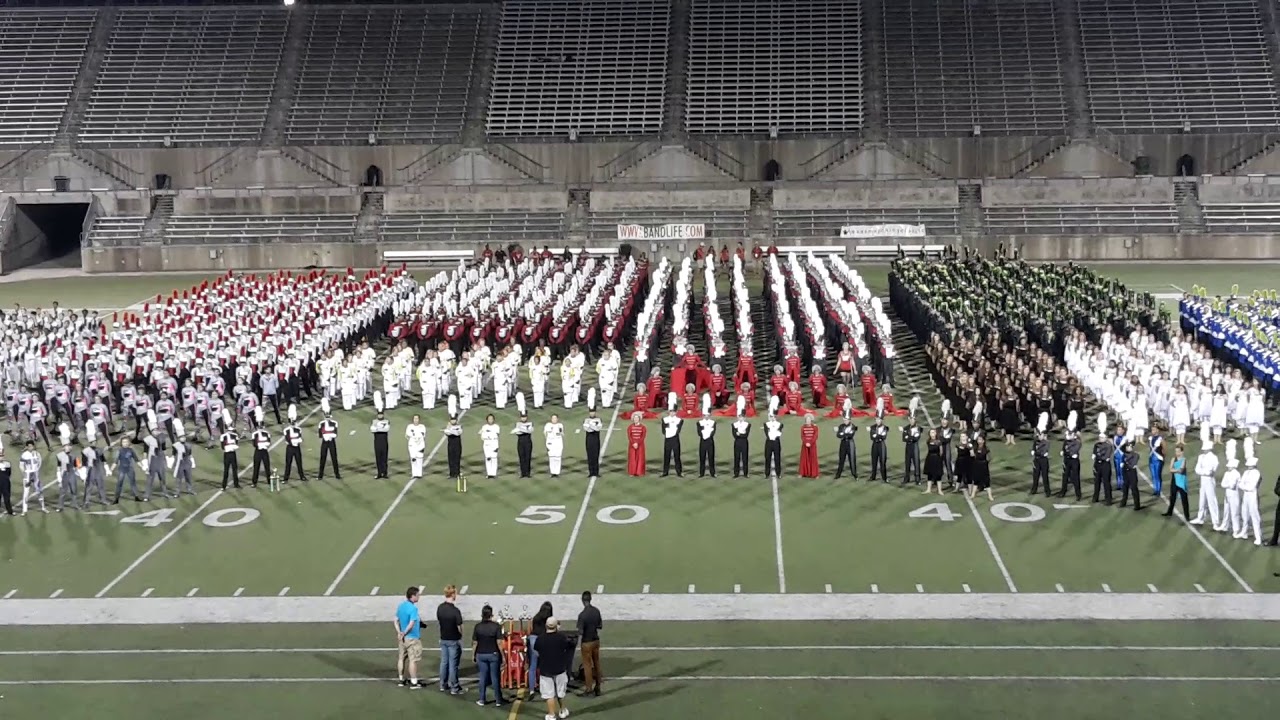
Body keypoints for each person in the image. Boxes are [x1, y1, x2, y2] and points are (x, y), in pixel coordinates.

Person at [535, 617, 573, 720]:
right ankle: (563, 710)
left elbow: (537, 651)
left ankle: (551, 714)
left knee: (549, 694)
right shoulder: (561, 637)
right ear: (556, 626)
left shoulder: (540, 638)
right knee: (560, 692)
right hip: (560, 668)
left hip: (545, 670)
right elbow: (567, 648)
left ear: (545, 626)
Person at [472, 604, 507, 707]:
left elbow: (475, 643)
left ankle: (482, 699)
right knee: (495, 677)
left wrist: (473, 654)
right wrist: (503, 656)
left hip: (481, 654)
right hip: (493, 654)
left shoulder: (478, 627)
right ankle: (498, 700)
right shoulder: (496, 626)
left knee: (483, 677)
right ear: (491, 615)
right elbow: (499, 643)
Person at [436, 584, 464, 695]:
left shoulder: (440, 608)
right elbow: (459, 626)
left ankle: (443, 684)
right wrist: (460, 635)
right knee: (453, 665)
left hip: (443, 637)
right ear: (453, 594)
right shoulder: (455, 611)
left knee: (444, 662)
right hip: (453, 639)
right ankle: (454, 687)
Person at [395, 586, 424, 689]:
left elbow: (396, 620)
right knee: (413, 660)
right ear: (412, 596)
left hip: (402, 638)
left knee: (401, 658)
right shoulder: (413, 608)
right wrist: (404, 632)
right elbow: (411, 623)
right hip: (412, 638)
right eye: (417, 595)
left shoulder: (401, 606)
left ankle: (401, 679)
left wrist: (399, 632)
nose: (419, 597)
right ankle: (414, 682)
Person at [577, 590, 603, 697]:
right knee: (597, 663)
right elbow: (600, 626)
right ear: (590, 599)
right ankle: (598, 686)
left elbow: (580, 631)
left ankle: (589, 689)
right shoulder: (596, 611)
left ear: (582, 600)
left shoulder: (582, 615)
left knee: (587, 666)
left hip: (586, 642)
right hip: (596, 640)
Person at [527, 601, 553, 696]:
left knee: (533, 666)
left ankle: (531, 689)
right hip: (543, 639)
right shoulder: (548, 619)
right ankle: (545, 687)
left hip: (533, 638)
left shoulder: (536, 617)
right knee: (545, 665)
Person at [1165, 445, 1190, 519]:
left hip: (1181, 481)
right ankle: (1169, 512)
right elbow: (1170, 469)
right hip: (1174, 480)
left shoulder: (1184, 459)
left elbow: (1181, 470)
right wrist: (1177, 470)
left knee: (1184, 499)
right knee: (1172, 497)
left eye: (1178, 451)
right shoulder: (1173, 459)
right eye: (1176, 451)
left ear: (1182, 452)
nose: (1177, 453)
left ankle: (1187, 516)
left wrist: (1174, 470)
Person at [1118, 440, 1143, 511]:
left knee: (1134, 488)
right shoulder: (1124, 454)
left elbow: (1132, 465)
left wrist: (1124, 464)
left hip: (1131, 473)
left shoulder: (1135, 455)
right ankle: (1123, 502)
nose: (1129, 448)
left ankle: (1137, 505)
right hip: (1125, 472)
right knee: (1125, 488)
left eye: (1130, 447)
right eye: (1128, 447)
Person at [660, 406, 683, 477]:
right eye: (671, 411)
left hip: (675, 439)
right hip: (668, 439)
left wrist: (671, 432)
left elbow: (678, 430)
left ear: (676, 412)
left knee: (677, 456)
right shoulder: (664, 419)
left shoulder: (679, 420)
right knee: (666, 456)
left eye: (673, 411)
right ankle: (665, 472)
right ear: (669, 412)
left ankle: (679, 472)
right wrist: (668, 433)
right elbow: (663, 430)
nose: (672, 413)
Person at [969, 435, 992, 500]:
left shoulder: (986, 448)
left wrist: (985, 462)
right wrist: (971, 452)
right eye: (978, 440)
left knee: (987, 482)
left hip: (984, 466)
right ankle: (973, 495)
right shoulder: (975, 448)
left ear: (983, 441)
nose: (979, 441)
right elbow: (972, 456)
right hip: (976, 465)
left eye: (980, 440)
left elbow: (989, 458)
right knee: (976, 481)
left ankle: (990, 496)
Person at [406, 414, 427, 481]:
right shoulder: (409, 426)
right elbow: (407, 435)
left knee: (420, 458)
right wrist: (413, 438)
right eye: (414, 418)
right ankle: (414, 474)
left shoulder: (422, 426)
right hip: (412, 445)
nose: (416, 420)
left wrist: (417, 438)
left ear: (419, 420)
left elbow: (423, 435)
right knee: (413, 458)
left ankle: (419, 474)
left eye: (417, 419)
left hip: (420, 445)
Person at [696, 408, 716, 478]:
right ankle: (701, 473)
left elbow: (713, 432)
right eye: (705, 415)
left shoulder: (713, 422)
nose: (706, 416)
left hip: (710, 442)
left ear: (710, 415)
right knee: (702, 457)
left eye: (708, 415)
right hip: (703, 442)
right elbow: (699, 433)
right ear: (703, 415)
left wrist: (706, 433)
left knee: (711, 457)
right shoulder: (699, 423)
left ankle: (712, 473)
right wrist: (706, 433)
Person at [923, 428, 944, 494]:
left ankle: (939, 490)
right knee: (929, 474)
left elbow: (941, 452)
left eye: (933, 432)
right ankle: (928, 489)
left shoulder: (939, 442)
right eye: (931, 432)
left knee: (938, 475)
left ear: (935, 433)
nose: (932, 434)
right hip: (930, 458)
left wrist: (938, 458)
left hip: (937, 458)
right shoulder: (928, 441)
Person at [798, 413, 819, 478]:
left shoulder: (815, 427)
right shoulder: (803, 427)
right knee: (804, 458)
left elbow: (815, 436)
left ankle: (815, 474)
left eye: (809, 419)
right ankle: (802, 473)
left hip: (812, 445)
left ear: (811, 420)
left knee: (813, 458)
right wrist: (806, 443)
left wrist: (810, 443)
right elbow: (802, 436)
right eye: (807, 419)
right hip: (805, 445)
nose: (808, 421)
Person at [0, 448, 12, 516]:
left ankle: (10, 511)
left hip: (6, 483)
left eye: (2, 456)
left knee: (7, 497)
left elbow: (9, 473)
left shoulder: (7, 464)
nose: (1, 457)